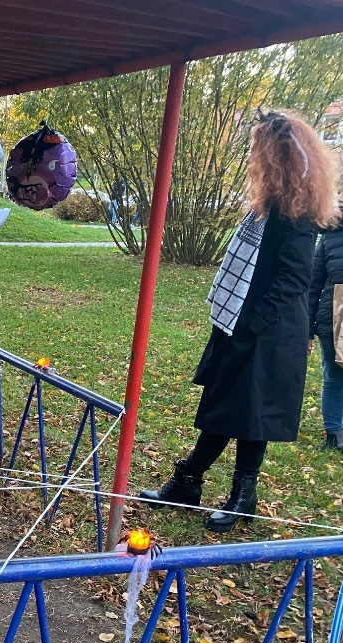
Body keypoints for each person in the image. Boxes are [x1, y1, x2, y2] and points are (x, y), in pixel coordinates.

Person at [138, 110, 339, 532]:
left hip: (270, 330)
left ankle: (233, 492)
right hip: (246, 322)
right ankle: (192, 482)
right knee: (227, 405)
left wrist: (253, 326)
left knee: (251, 412)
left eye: (258, 150)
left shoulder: (296, 215)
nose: (253, 157)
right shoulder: (273, 206)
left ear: (276, 157)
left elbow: (293, 280)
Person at [308, 200, 343, 451]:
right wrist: (307, 329)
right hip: (335, 314)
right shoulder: (329, 237)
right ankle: (334, 433)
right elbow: (313, 287)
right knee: (334, 374)